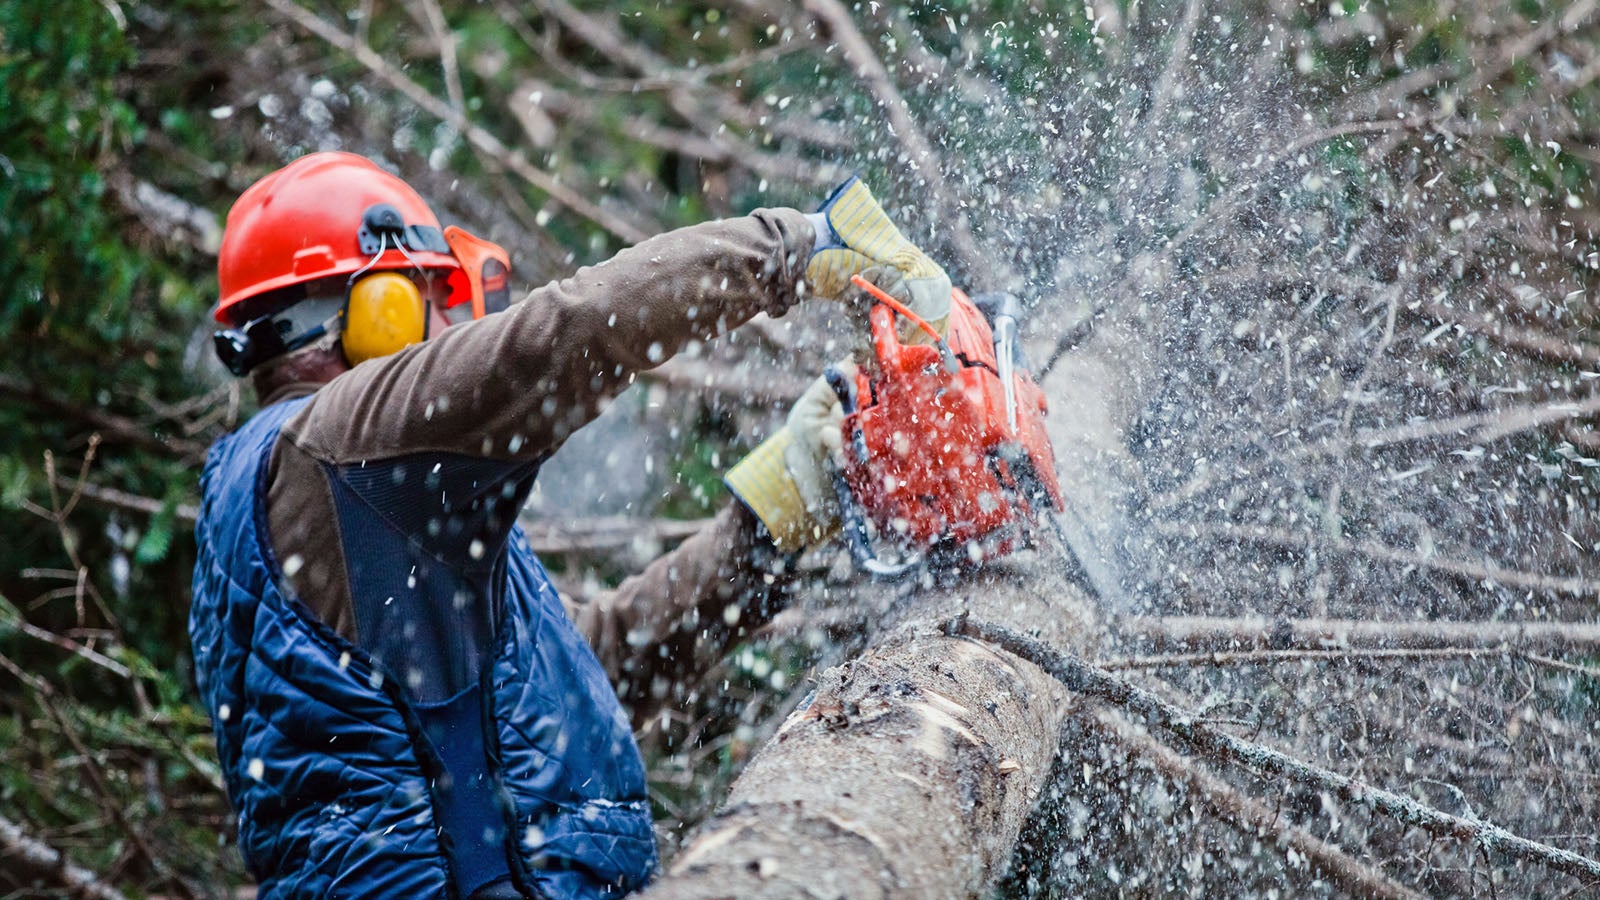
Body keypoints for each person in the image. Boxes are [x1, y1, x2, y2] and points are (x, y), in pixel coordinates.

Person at [188, 151, 950, 900]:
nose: (447, 324)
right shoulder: (343, 445)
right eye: (426, 295)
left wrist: (772, 517)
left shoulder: (337, 499)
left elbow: (587, 676)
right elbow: (566, 334)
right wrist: (800, 245)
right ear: (372, 310)